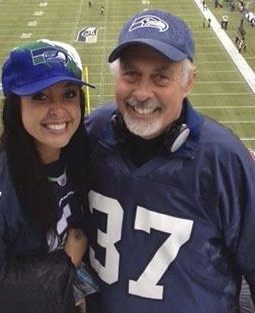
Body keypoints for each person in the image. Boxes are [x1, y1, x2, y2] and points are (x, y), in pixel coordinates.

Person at [85, 9, 255, 313]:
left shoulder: (222, 159)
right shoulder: (93, 133)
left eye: (161, 76)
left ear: (188, 82)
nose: (142, 92)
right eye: (131, 74)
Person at [0, 39, 94, 313]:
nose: (58, 109)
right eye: (40, 96)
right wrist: (66, 263)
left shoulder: (76, 156)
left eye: (69, 94)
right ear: (15, 106)